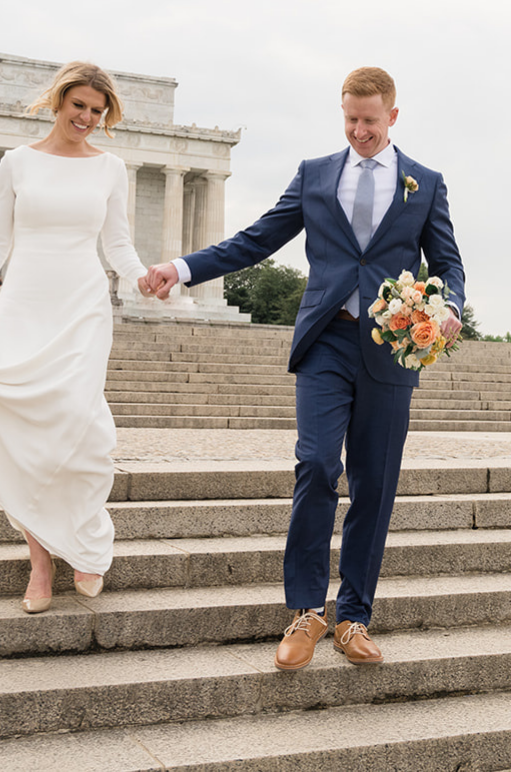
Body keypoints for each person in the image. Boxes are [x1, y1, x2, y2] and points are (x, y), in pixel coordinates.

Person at [146, 66, 465, 670]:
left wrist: (448, 305)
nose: (359, 130)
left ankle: (353, 618)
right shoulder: (316, 175)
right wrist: (182, 269)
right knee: (317, 464)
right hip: (325, 342)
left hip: (391, 350)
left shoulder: (424, 184)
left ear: (392, 116)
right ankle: (305, 613)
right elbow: (257, 238)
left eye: (370, 120)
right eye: (350, 118)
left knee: (375, 484)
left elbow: (448, 262)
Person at [0, 62, 157, 614]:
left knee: (80, 430)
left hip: (81, 307)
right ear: (58, 102)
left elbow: (119, 245)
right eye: (79, 105)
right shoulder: (17, 162)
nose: (86, 117)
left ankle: (82, 541)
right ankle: (39, 560)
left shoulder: (111, 168)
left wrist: (145, 277)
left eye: (97, 111)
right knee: (25, 438)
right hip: (24, 305)